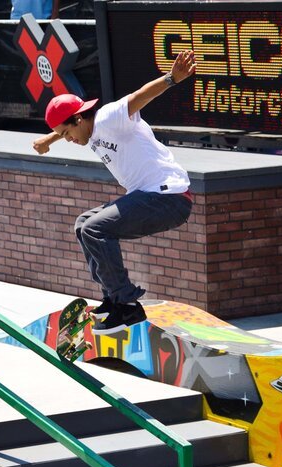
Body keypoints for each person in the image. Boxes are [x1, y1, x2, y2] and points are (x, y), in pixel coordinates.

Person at [33, 50, 196, 335]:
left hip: (169, 196)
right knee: (83, 224)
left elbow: (139, 97)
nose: (68, 140)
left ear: (80, 120)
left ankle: (127, 304)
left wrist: (171, 79)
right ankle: (112, 296)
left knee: (96, 229)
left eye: (67, 134)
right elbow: (65, 127)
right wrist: (49, 139)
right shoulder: (85, 128)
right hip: (150, 196)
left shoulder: (108, 118)